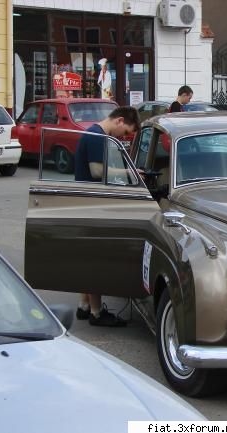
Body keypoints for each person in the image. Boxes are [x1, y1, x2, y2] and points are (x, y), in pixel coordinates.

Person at [74, 106, 141, 326]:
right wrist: (129, 172)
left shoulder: (95, 133)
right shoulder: (97, 136)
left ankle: (84, 306)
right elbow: (97, 171)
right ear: (120, 121)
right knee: (96, 258)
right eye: (125, 133)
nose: (123, 138)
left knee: (86, 257)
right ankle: (96, 312)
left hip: (86, 203)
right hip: (92, 204)